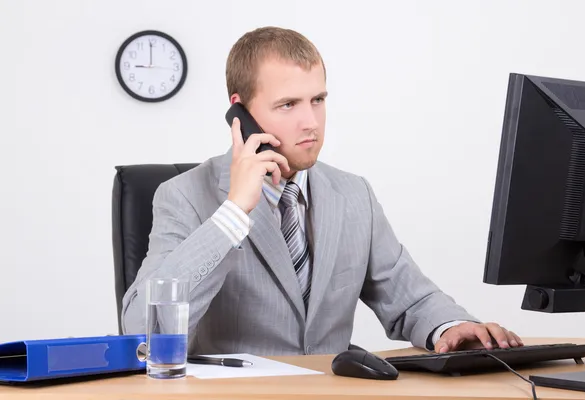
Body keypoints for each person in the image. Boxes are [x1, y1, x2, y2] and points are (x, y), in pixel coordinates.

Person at [121, 26, 523, 356]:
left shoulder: (353, 195)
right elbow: (144, 331)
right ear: (240, 111)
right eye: (288, 105)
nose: (311, 122)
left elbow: (410, 298)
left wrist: (452, 327)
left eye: (318, 100)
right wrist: (233, 214)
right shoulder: (184, 195)